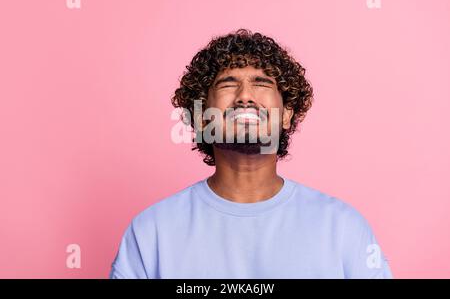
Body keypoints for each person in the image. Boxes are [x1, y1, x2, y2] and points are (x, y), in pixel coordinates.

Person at [109, 29, 393, 279]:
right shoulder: (151, 232)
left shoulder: (343, 228)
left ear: (286, 114)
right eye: (228, 84)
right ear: (202, 116)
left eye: (262, 83)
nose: (245, 95)